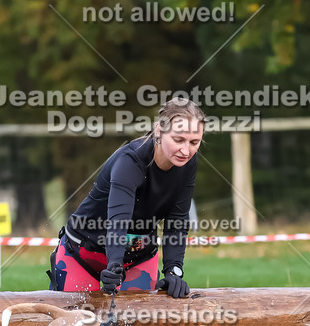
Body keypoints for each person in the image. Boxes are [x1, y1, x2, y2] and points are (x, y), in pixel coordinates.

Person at [48, 97, 204, 299]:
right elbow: (118, 221)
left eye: (194, 142)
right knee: (77, 323)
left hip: (137, 255)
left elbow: (177, 219)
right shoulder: (130, 161)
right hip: (83, 252)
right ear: (159, 130)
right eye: (178, 139)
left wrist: (174, 271)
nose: (186, 150)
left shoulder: (188, 163)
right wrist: (114, 265)